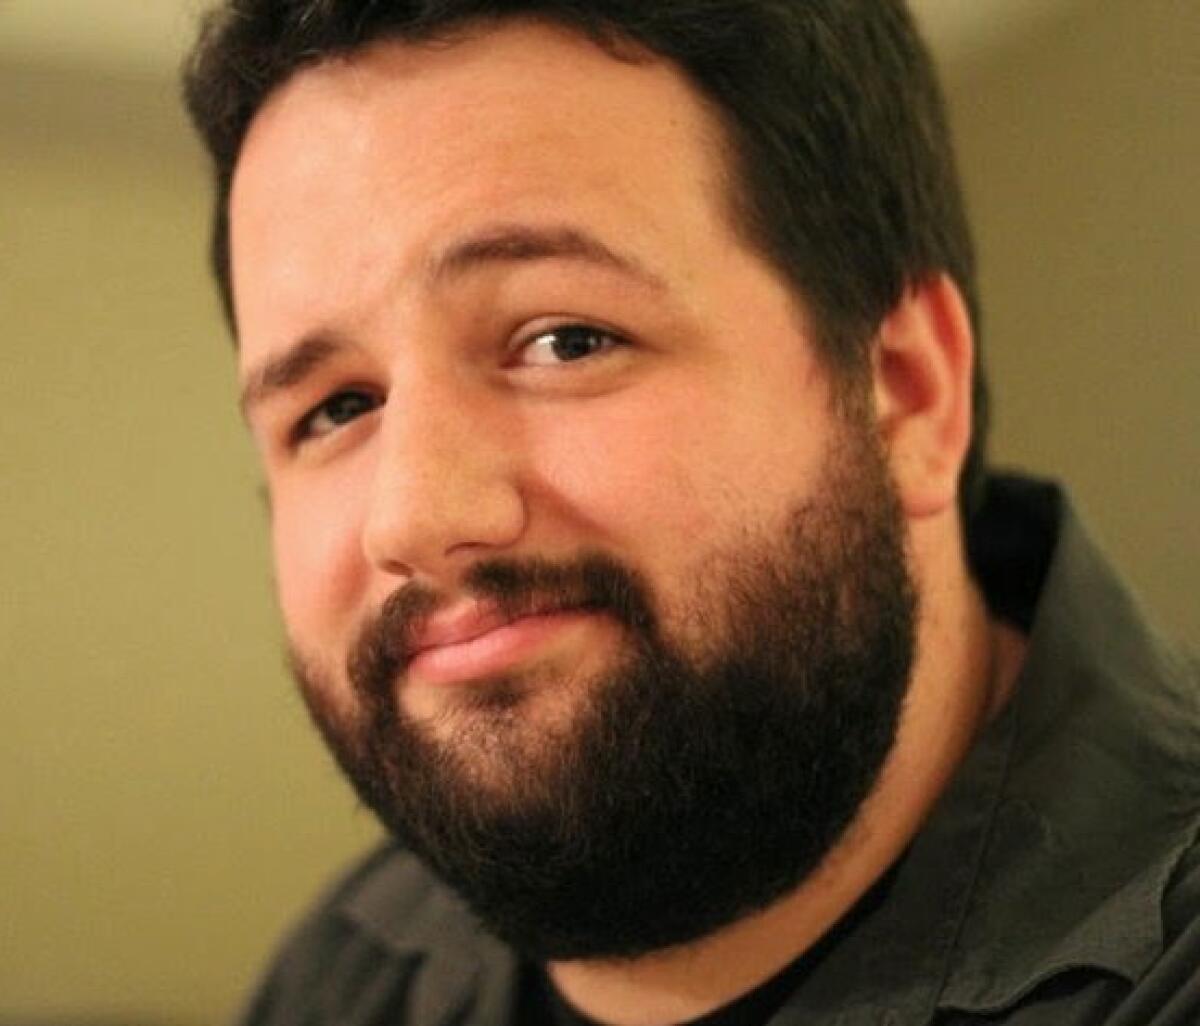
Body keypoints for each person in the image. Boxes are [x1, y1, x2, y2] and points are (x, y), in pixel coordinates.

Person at [181, 2, 1200, 1024]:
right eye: (336, 409)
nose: (414, 519)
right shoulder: (350, 972)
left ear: (905, 392)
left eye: (567, 340)